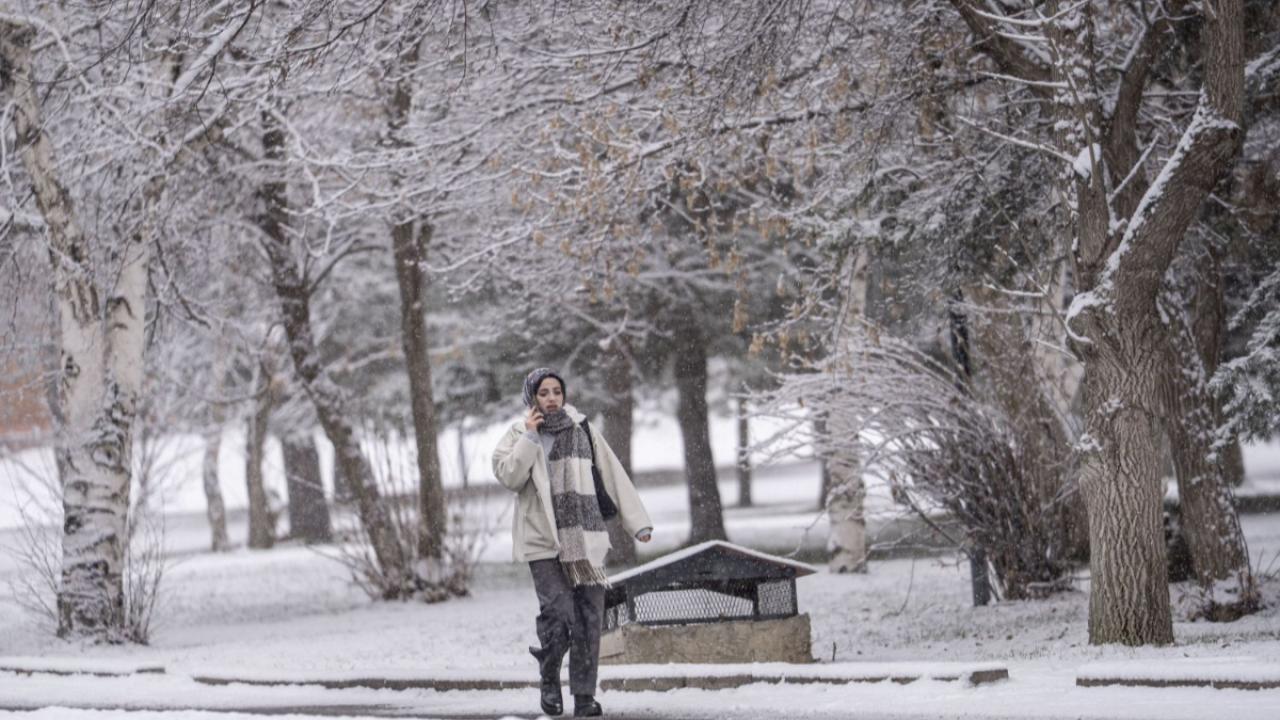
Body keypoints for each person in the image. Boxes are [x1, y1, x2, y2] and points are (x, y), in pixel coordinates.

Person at [492, 367, 653, 718]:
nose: (551, 398)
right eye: (544, 393)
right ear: (532, 398)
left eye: (556, 392)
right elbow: (509, 476)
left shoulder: (583, 429)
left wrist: (637, 523)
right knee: (559, 614)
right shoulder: (518, 433)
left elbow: (613, 475)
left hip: (586, 540)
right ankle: (549, 675)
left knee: (589, 618)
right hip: (543, 542)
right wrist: (530, 439)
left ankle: (584, 696)